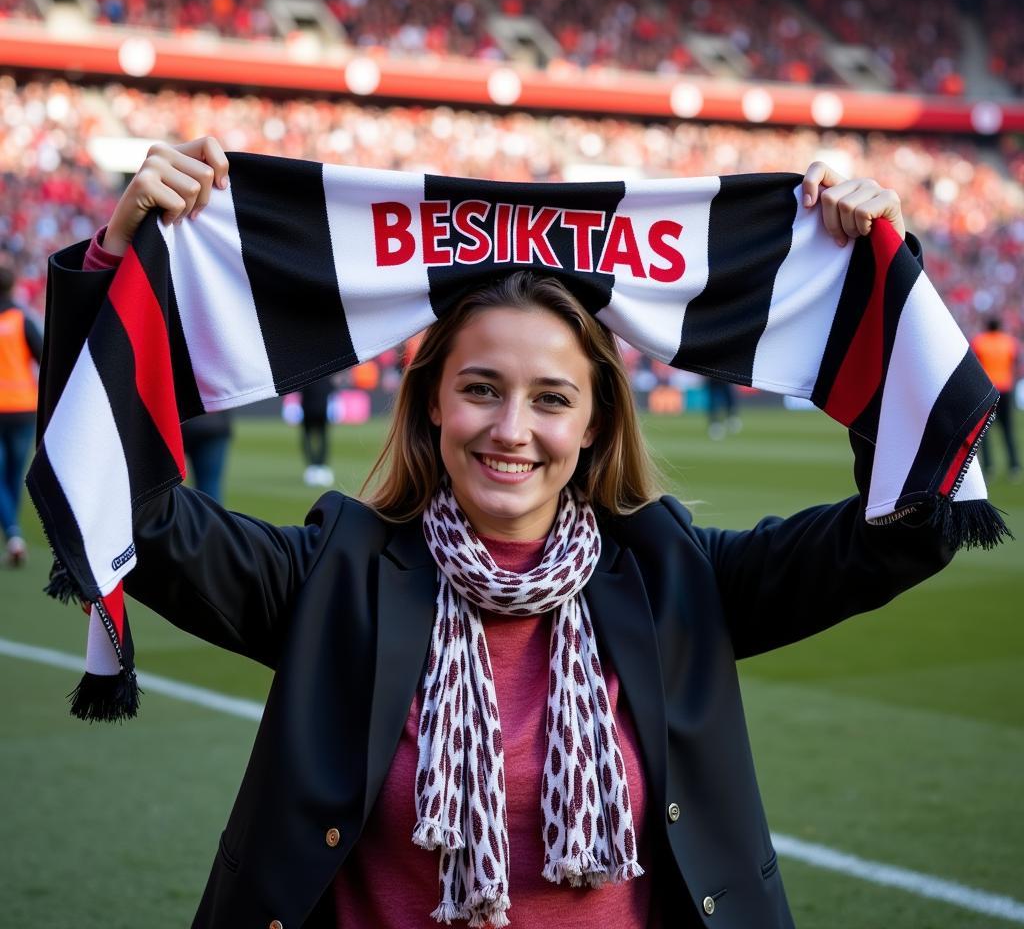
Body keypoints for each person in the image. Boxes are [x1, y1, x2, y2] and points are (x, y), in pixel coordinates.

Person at [48, 139, 954, 928]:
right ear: (434, 402)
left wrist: (881, 288)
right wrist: (113, 261)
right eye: (481, 387)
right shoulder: (335, 571)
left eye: (552, 398)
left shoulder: (673, 574)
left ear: (596, 422)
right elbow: (125, 504)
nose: (511, 428)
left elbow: (904, 530)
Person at [0, 260, 42, 565]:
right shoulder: (20, 319)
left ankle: (12, 533)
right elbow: (43, 356)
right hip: (24, 406)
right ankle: (13, 536)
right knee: (14, 472)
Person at [970, 317, 1021, 482]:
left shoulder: (980, 341)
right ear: (999, 327)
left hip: (988, 389)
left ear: (986, 326)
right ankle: (1014, 466)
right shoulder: (1009, 342)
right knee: (1008, 429)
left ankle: (989, 467)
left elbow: (975, 363)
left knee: (984, 431)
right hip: (1005, 389)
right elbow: (1015, 363)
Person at [181, 412, 234, 504]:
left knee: (166, 486)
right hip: (213, 424)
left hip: (177, 423)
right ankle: (212, 518)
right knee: (209, 486)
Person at [301, 375, 336, 487]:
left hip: (308, 412)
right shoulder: (325, 376)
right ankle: (320, 464)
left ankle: (314, 464)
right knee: (322, 438)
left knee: (308, 438)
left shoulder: (305, 378)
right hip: (321, 411)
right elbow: (332, 388)